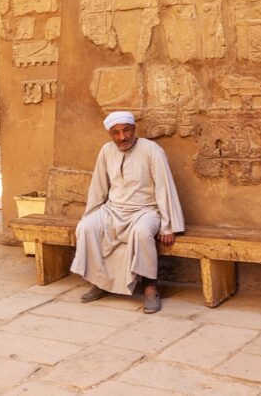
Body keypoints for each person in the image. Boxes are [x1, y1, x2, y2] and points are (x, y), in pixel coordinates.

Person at [71, 111, 185, 313]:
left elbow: (164, 188)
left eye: (126, 131)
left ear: (134, 129)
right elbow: (98, 186)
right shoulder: (106, 151)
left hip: (146, 210)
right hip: (113, 209)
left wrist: (168, 226)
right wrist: (91, 214)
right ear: (110, 134)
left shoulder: (151, 150)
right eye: (116, 133)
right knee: (86, 227)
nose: (122, 137)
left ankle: (150, 289)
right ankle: (100, 282)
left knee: (141, 233)